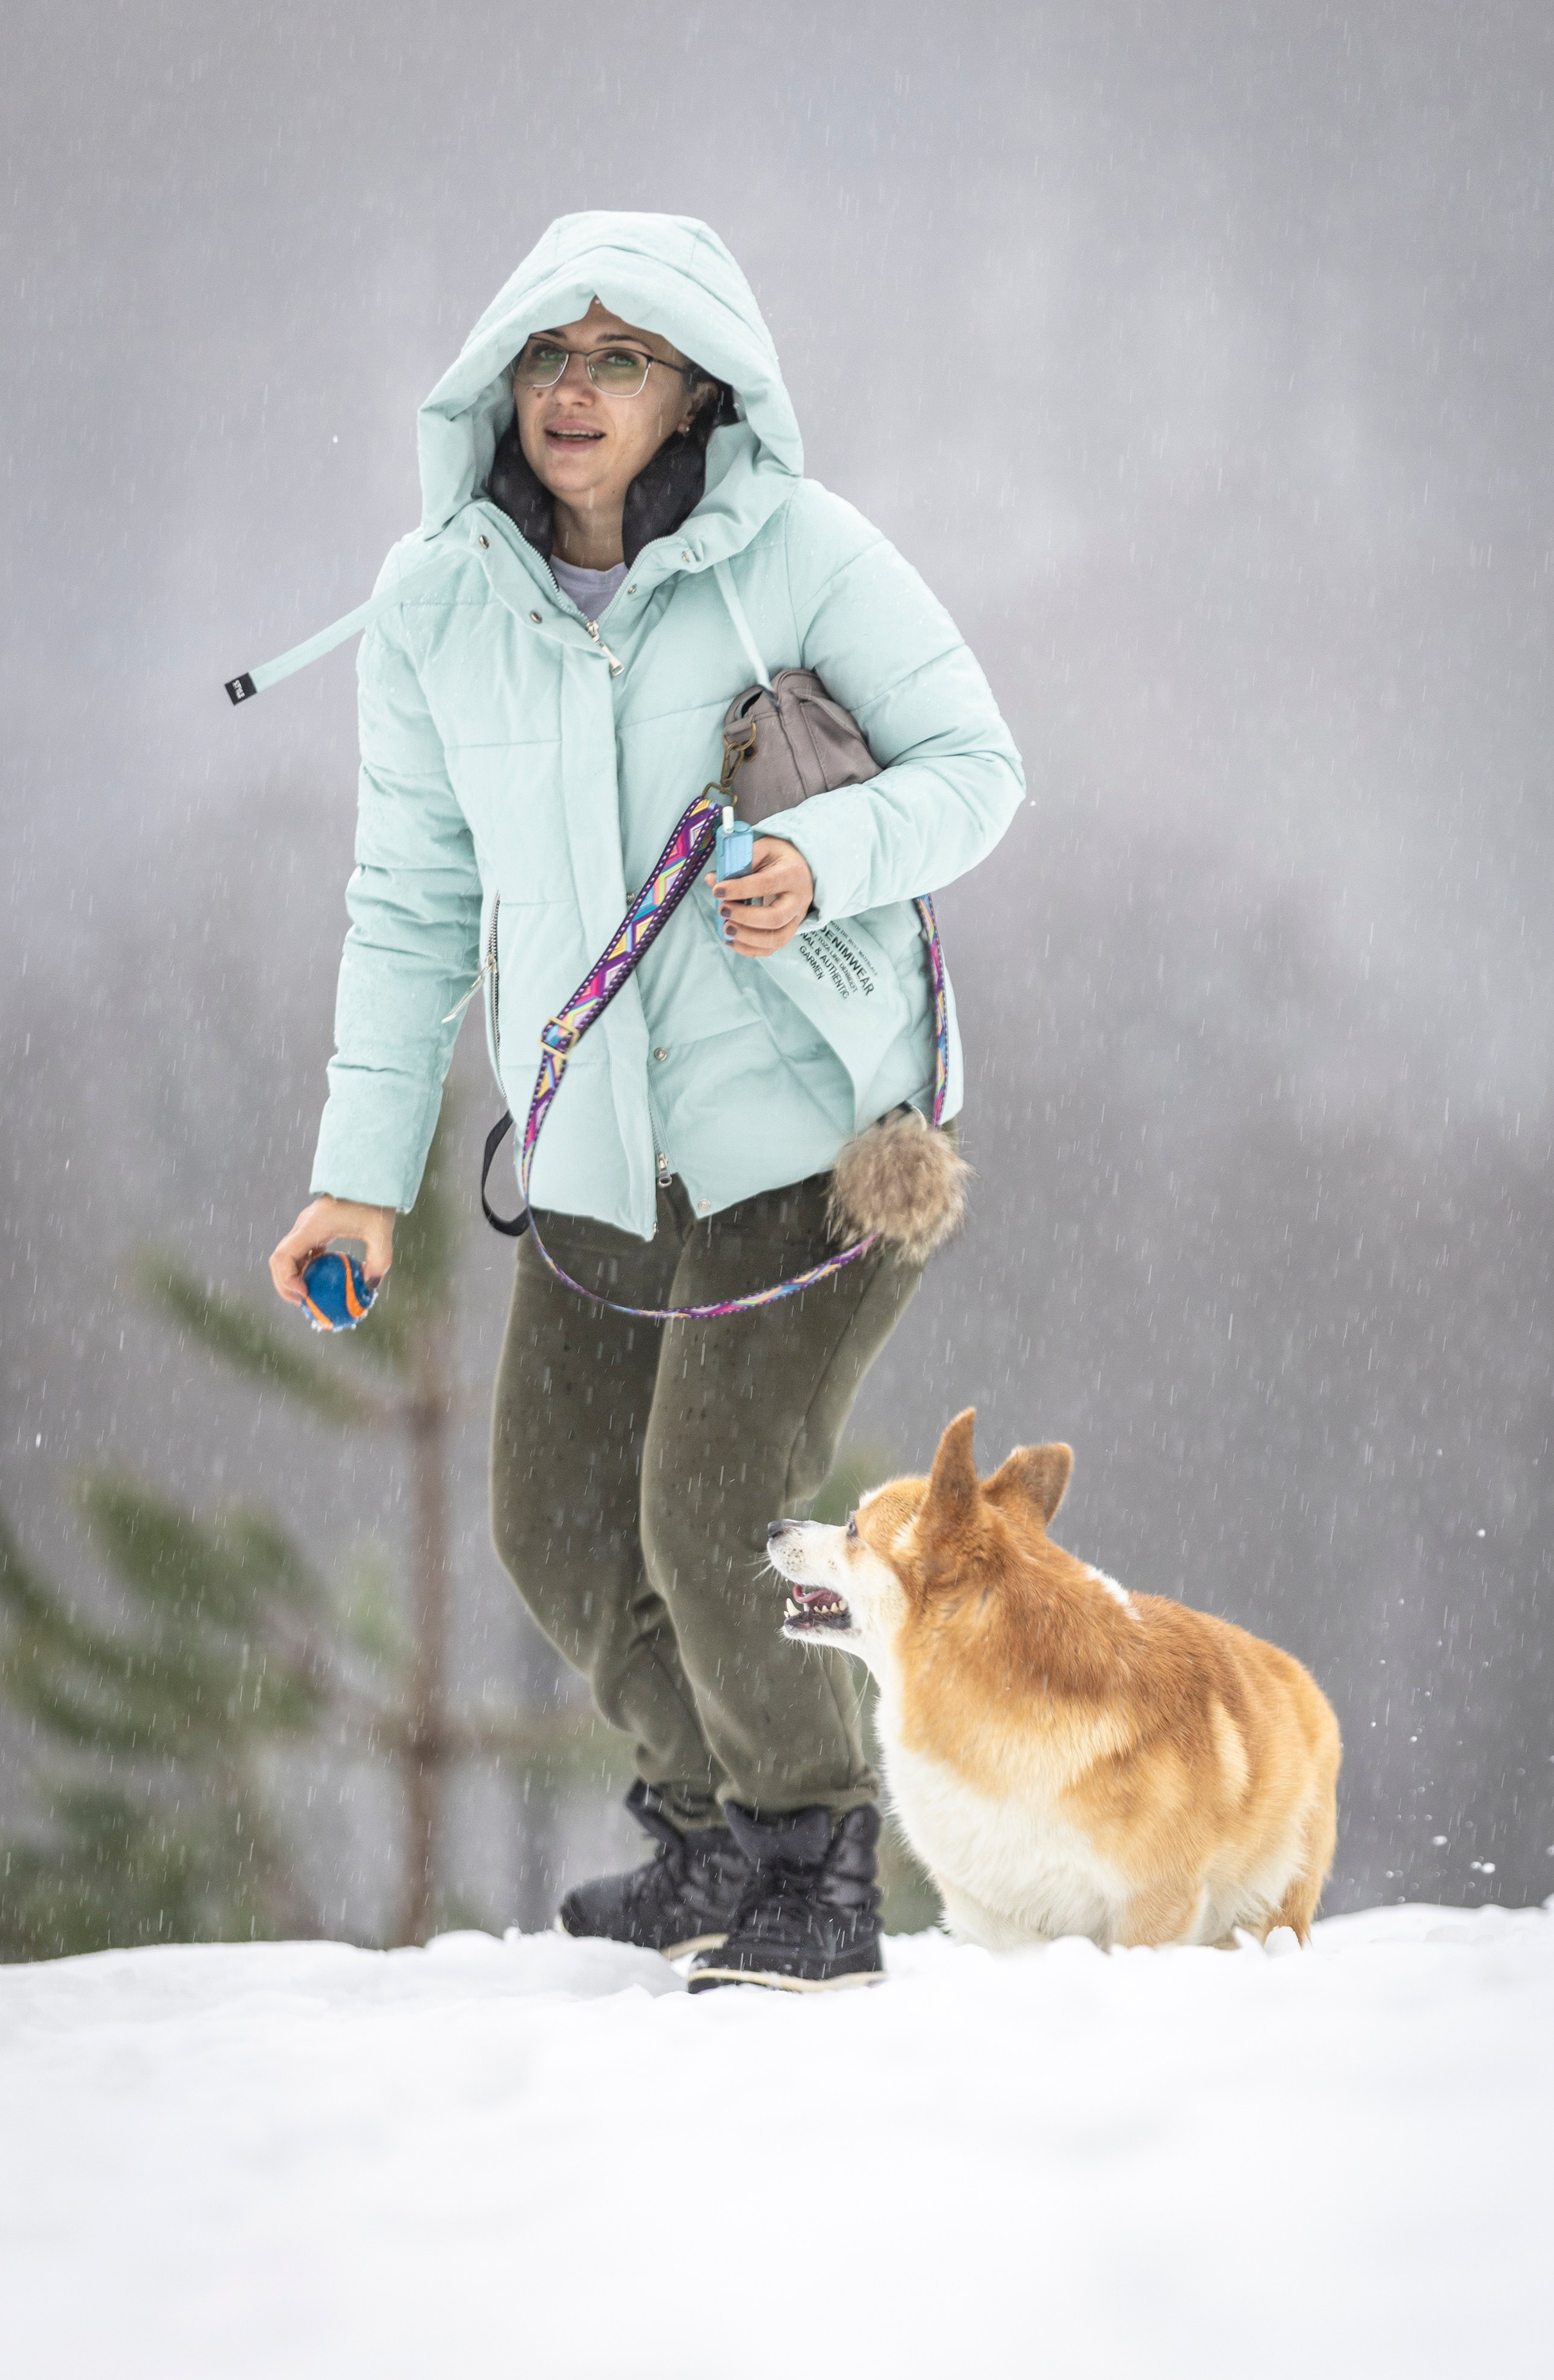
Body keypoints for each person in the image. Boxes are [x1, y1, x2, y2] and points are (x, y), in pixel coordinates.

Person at [269, 212, 1024, 1989]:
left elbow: (982, 772)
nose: (575, 392)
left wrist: (823, 856)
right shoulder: (437, 609)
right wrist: (355, 1180)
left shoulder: (803, 554)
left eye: (618, 359)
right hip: (600, 1154)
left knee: (713, 1512)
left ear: (693, 387)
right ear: (502, 385)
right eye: (548, 358)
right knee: (554, 1521)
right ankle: (706, 1829)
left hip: (820, 1140)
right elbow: (409, 910)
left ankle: (816, 1865)